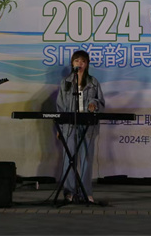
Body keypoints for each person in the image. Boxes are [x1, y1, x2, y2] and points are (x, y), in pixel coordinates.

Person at [55, 50, 105, 203]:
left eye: (83, 61)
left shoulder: (93, 82)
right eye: (77, 61)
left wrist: (94, 104)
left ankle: (85, 192)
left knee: (86, 160)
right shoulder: (66, 82)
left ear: (87, 64)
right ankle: (69, 192)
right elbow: (60, 106)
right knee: (69, 159)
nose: (80, 64)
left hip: (88, 125)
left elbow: (101, 102)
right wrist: (59, 127)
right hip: (69, 126)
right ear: (72, 63)